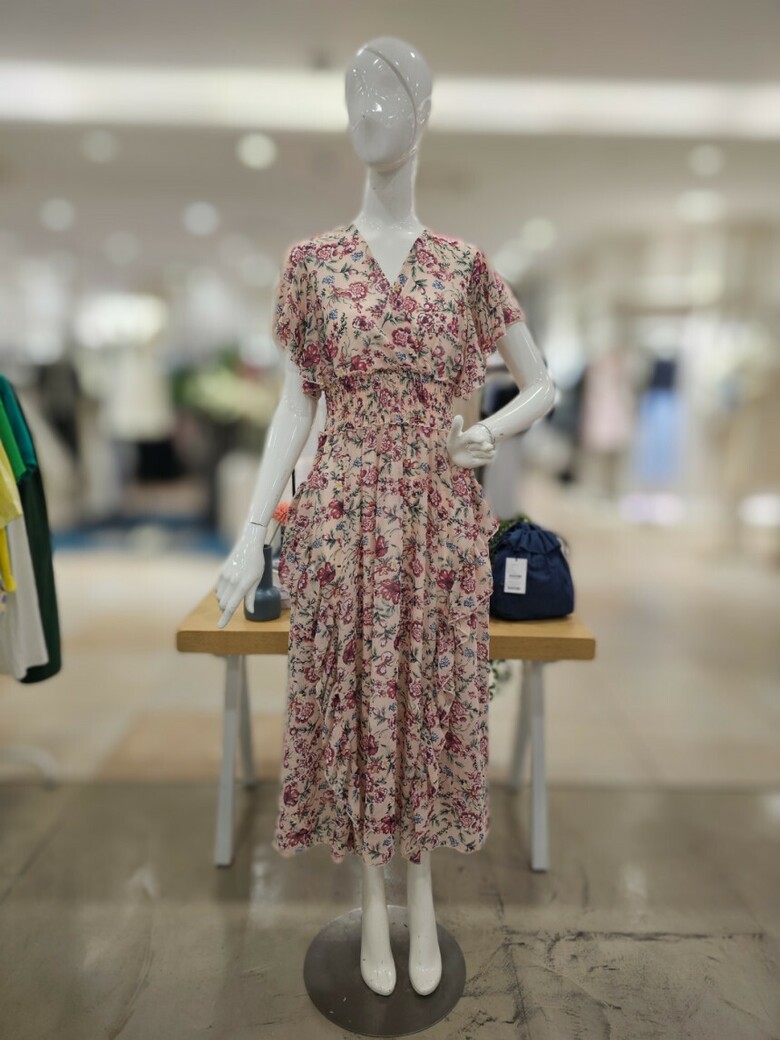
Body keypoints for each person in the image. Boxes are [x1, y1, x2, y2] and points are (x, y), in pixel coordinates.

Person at [216, 36, 555, 998]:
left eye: (391, 92)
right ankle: (371, 895)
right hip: (340, 519)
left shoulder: (465, 266)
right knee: (357, 698)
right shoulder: (312, 264)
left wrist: (487, 429)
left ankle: (424, 885)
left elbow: (543, 383)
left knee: (431, 695)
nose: (369, 110)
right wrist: (253, 533)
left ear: (425, 115)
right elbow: (295, 407)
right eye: (355, 94)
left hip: (440, 520)